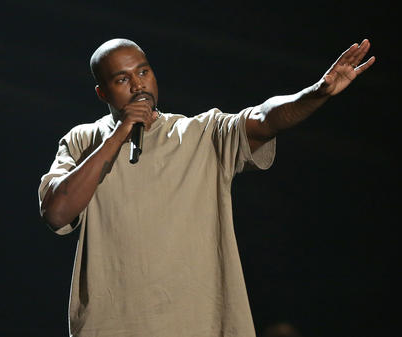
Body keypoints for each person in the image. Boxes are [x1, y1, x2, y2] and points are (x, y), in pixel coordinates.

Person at [38, 38, 374, 337]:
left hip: (198, 324)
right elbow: (56, 212)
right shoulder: (82, 140)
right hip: (113, 326)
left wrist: (316, 92)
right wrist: (118, 135)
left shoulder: (200, 134)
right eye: (122, 79)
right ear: (102, 92)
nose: (139, 86)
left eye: (144, 72)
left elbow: (265, 118)